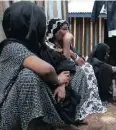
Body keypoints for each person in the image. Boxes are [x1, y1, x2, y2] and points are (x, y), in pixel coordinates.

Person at [0, 1, 78, 130]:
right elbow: (46, 70)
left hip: (26, 111)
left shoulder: (35, 47)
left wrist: (63, 84)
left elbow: (64, 63)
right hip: (7, 115)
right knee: (28, 76)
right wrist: (58, 80)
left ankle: (58, 124)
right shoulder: (11, 47)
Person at [45, 18, 107, 124]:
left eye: (68, 30)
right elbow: (65, 64)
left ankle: (79, 112)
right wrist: (66, 44)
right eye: (64, 29)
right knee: (80, 72)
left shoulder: (69, 46)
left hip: (70, 75)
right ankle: (72, 116)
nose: (67, 33)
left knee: (86, 68)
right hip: (57, 77)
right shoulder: (48, 47)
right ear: (55, 31)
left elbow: (82, 62)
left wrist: (72, 53)